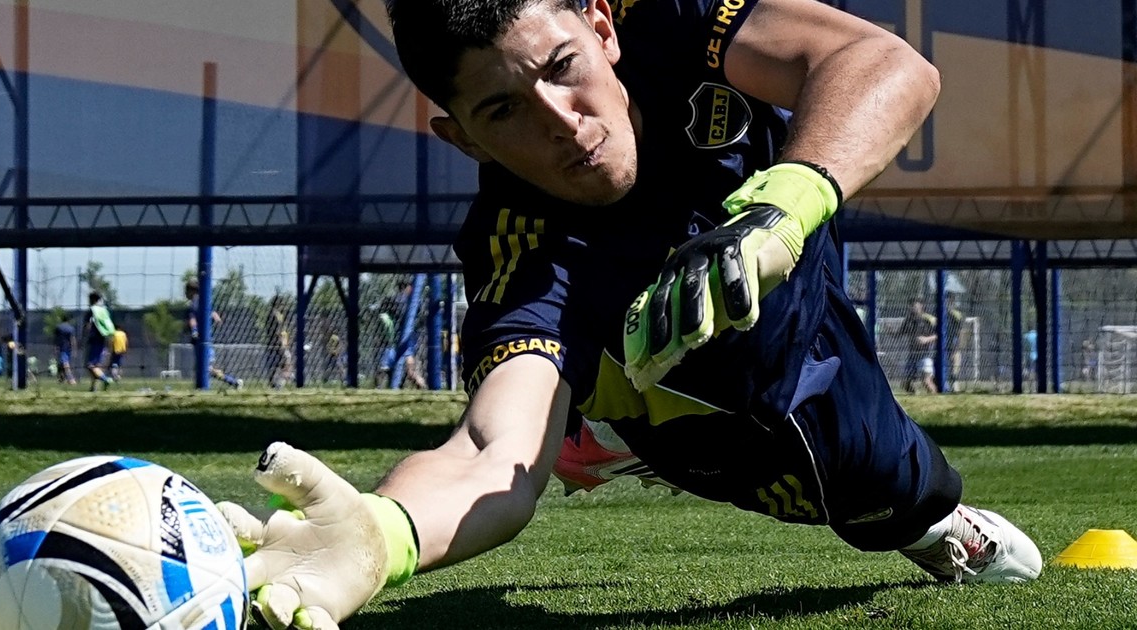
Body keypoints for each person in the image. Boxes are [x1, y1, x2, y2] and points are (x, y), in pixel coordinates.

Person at [218, 2, 1041, 628]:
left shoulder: (675, 18)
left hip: (793, 276)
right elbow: (488, 453)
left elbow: (884, 62)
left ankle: (924, 521)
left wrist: (779, 210)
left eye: (562, 66)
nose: (560, 121)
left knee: (886, 489)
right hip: (693, 420)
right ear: (462, 138)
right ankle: (611, 419)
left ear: (603, 25)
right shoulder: (525, 255)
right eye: (503, 111)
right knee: (813, 465)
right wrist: (385, 532)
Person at [184, 279, 243, 389]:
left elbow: (192, 320)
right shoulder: (204, 302)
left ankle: (233, 382)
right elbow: (216, 317)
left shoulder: (193, 304)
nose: (185, 294)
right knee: (205, 368)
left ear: (192, 291)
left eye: (186, 291)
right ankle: (232, 382)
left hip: (199, 340)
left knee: (206, 368)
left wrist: (194, 331)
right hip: (206, 339)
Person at [375, 280, 428, 389]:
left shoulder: (398, 300)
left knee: (396, 368)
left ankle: (420, 385)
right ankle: (420, 385)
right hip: (403, 340)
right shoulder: (412, 301)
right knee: (405, 370)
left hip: (400, 340)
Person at [899, 298, 937, 394]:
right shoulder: (908, 320)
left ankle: (936, 397)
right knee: (905, 383)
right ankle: (915, 396)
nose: (913, 308)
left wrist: (926, 339)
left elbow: (939, 335)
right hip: (912, 354)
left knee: (926, 381)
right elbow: (899, 334)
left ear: (921, 306)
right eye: (912, 306)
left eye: (916, 306)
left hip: (925, 354)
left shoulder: (928, 319)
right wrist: (889, 330)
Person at [82, 291, 115, 392]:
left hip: (93, 339)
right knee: (96, 364)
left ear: (91, 299)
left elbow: (87, 325)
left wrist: (84, 336)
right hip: (103, 338)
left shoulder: (92, 310)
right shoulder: (104, 310)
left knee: (90, 365)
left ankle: (106, 379)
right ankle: (93, 387)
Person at [265, 295, 293, 389]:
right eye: (282, 304)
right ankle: (280, 381)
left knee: (280, 362)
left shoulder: (279, 315)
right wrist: (281, 343)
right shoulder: (274, 315)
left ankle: (277, 381)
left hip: (281, 342)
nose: (283, 306)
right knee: (285, 360)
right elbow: (277, 331)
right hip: (278, 343)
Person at [943, 295, 966, 391]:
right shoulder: (941, 314)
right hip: (943, 343)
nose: (947, 304)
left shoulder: (956, 315)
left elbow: (961, 332)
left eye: (949, 302)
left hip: (953, 342)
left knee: (956, 358)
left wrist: (957, 346)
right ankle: (945, 383)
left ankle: (954, 380)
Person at [53, 313, 78, 385]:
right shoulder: (71, 328)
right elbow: (73, 339)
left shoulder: (58, 327)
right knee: (64, 363)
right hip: (68, 348)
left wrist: (55, 348)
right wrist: (74, 349)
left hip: (61, 348)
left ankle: (70, 379)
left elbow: (55, 339)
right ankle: (63, 379)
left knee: (64, 364)